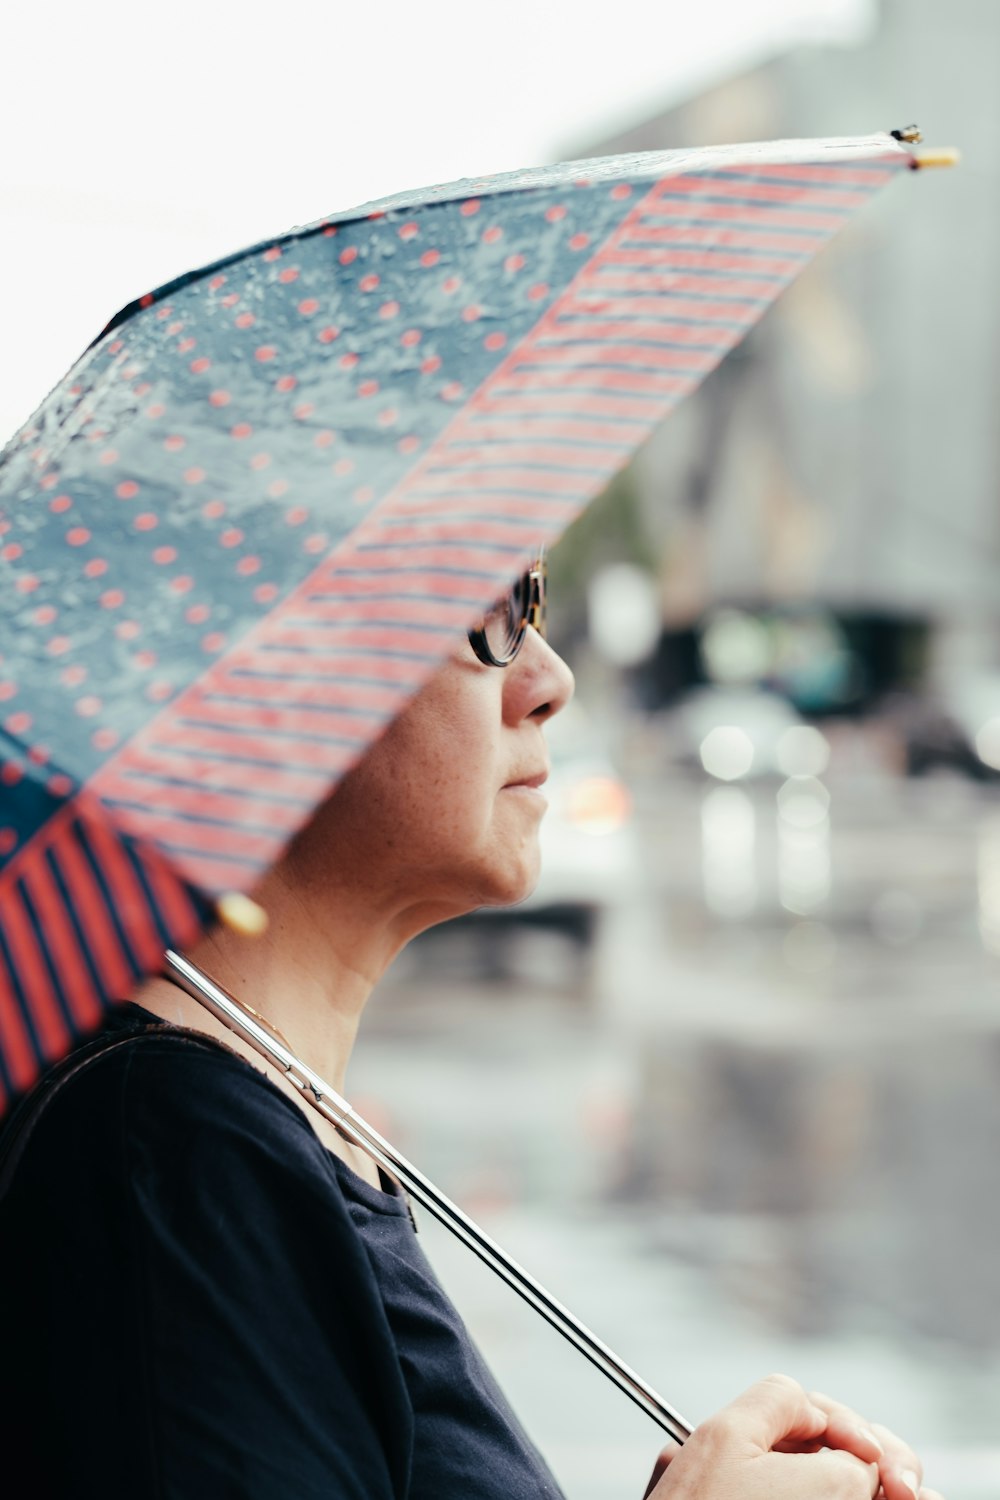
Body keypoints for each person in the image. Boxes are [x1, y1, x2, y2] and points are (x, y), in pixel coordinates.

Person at [0, 560, 941, 1499]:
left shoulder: (256, 1126)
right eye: (483, 613)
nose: (549, 680)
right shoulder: (174, 1152)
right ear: (273, 677)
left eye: (527, 603)